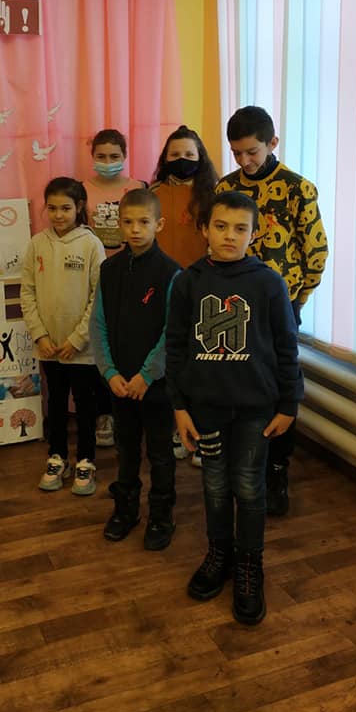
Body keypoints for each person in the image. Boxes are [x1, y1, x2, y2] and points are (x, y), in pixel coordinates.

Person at [166, 191, 303, 625]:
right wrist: (179, 407)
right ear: (204, 229)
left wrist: (289, 403)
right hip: (205, 408)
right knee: (214, 485)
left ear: (254, 234)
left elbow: (286, 346)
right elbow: (175, 348)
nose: (230, 236)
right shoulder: (187, 282)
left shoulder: (269, 284)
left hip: (254, 410)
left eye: (240, 228)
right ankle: (219, 554)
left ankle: (249, 565)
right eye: (221, 226)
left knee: (248, 486)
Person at [216, 106, 328, 515]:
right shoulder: (226, 188)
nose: (245, 161)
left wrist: (295, 301)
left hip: (282, 306)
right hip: (234, 307)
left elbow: (316, 252)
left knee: (281, 386)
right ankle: (244, 466)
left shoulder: (299, 189)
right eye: (237, 153)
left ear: (272, 143)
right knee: (241, 384)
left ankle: (277, 470)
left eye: (252, 152)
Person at [90, 189, 181, 551]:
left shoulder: (171, 272)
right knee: (126, 450)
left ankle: (161, 515)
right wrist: (109, 372)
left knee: (160, 453)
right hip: (119, 383)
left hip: (154, 385)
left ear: (159, 224)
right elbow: (98, 324)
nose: (135, 229)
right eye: (128, 222)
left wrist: (147, 374)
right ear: (119, 224)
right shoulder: (109, 269)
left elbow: (173, 332)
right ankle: (125, 509)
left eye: (144, 222)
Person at [20, 177, 106, 496]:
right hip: (49, 347)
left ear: (79, 207)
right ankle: (57, 457)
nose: (58, 215)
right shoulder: (36, 244)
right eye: (53, 208)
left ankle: (85, 460)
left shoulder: (91, 244)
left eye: (65, 208)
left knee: (84, 405)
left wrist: (77, 339)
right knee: (55, 403)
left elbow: (98, 297)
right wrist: (40, 336)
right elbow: (27, 292)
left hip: (80, 348)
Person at [150, 125, 218, 463]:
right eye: (175, 154)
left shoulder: (213, 195)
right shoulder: (153, 194)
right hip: (162, 289)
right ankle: (176, 428)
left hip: (201, 288)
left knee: (200, 363)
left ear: (200, 157)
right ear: (165, 158)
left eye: (189, 154)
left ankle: (202, 432)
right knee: (170, 360)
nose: (182, 160)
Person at [85, 128, 146, 449]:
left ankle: (136, 405)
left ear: (125, 156)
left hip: (133, 273)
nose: (108, 162)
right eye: (101, 156)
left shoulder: (139, 188)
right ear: (92, 157)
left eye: (114, 156)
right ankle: (103, 413)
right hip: (97, 274)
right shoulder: (82, 190)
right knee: (102, 340)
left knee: (131, 339)